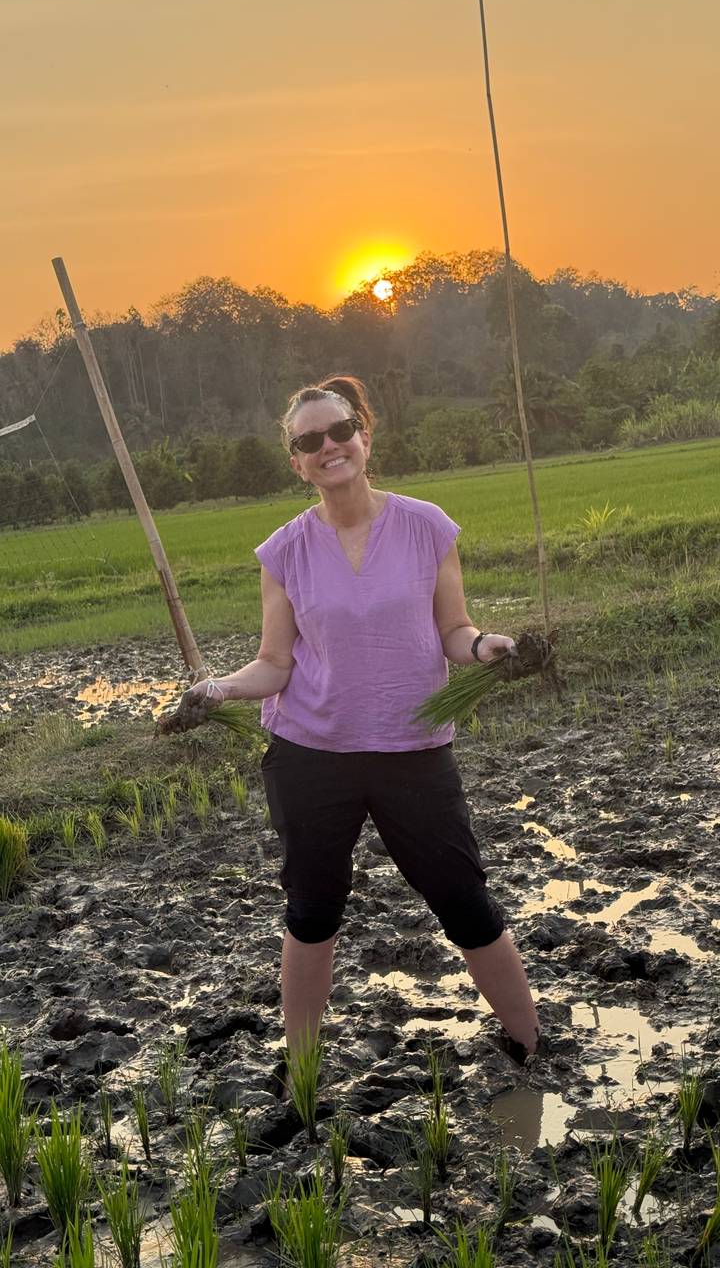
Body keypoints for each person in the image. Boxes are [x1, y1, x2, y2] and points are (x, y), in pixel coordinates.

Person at [171, 376, 540, 1060]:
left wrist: (490, 649)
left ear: (365, 436)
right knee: (313, 912)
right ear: (296, 462)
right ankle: (304, 1068)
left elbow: (455, 630)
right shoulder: (284, 551)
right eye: (309, 442)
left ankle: (530, 1044)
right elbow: (274, 663)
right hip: (311, 757)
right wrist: (217, 689)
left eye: (339, 431)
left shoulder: (427, 526)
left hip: (413, 750)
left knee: (464, 900)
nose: (328, 447)